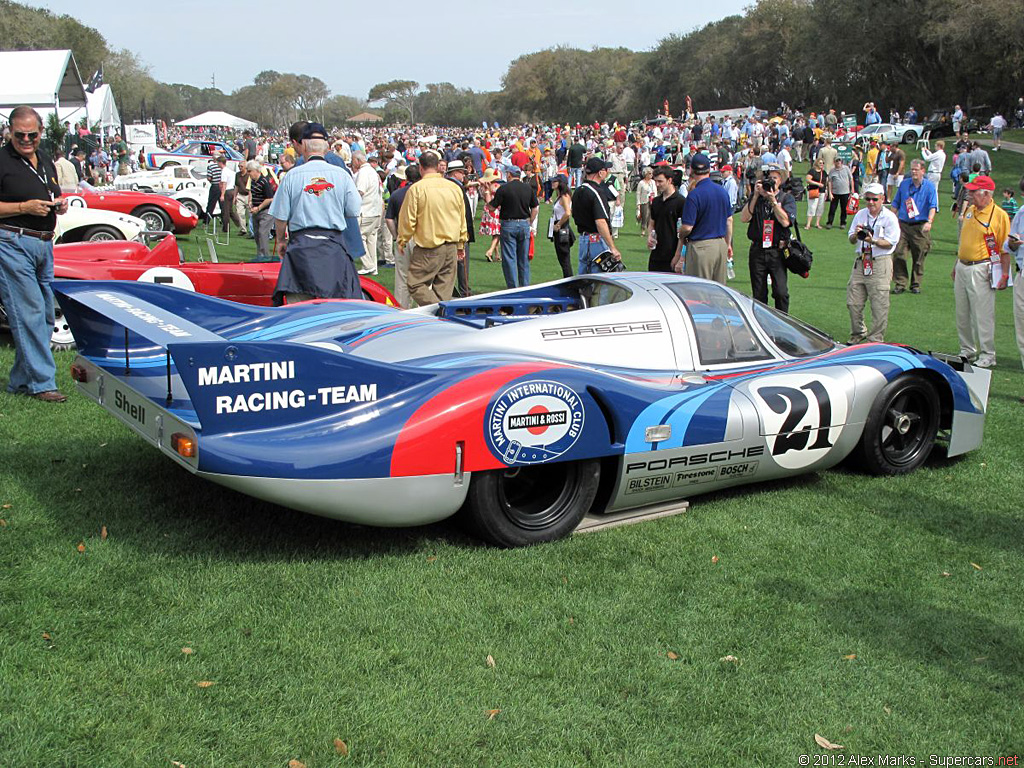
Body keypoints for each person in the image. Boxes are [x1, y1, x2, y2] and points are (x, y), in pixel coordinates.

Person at [0, 105, 70, 402]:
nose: (26, 139)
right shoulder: (1, 161)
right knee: (27, 313)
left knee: (42, 315)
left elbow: (50, 192)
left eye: (32, 134)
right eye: (20, 135)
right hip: (12, 242)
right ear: (9, 132)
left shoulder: (44, 159)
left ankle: (19, 382)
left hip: (44, 243)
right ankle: (43, 384)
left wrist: (59, 203)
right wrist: (23, 208)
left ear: (41, 132)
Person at [268, 122, 362, 305]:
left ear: (303, 146)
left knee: (300, 308)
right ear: (326, 148)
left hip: (302, 247)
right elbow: (353, 210)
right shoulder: (341, 175)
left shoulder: (292, 176)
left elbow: (280, 216)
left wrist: (280, 240)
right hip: (331, 247)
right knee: (337, 306)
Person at [952, 175, 1011, 368]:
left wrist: (1003, 273)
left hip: (982, 267)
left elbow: (1004, 247)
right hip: (963, 265)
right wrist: (956, 264)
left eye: (973, 191)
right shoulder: (970, 210)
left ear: (986, 194)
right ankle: (966, 350)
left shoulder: (999, 215)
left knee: (982, 313)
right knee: (962, 312)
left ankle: (988, 353)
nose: (969, 193)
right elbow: (964, 240)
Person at [397, 151, 468, 306]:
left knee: (415, 284)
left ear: (420, 168)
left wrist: (402, 240)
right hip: (451, 246)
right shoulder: (454, 188)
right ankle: (440, 316)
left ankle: (441, 313)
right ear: (438, 167)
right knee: (443, 291)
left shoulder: (417, 189)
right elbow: (462, 218)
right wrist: (461, 244)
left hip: (428, 248)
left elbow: (408, 219)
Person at [846, 183, 901, 343]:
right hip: (861, 261)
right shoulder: (861, 214)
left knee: (879, 304)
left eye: (874, 199)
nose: (870, 202)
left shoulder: (890, 217)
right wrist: (857, 235)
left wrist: (873, 240)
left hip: (880, 262)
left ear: (882, 199)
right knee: (853, 302)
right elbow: (850, 238)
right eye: (867, 199)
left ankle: (875, 338)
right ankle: (858, 332)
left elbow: (891, 242)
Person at [739, 164, 797, 312]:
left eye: (774, 178)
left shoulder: (786, 198)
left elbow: (785, 221)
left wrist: (773, 201)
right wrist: (756, 195)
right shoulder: (756, 197)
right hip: (758, 249)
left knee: (781, 292)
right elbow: (744, 218)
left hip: (777, 251)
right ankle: (761, 325)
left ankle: (782, 323)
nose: (771, 181)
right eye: (768, 178)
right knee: (759, 294)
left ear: (781, 181)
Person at [673, 153, 732, 284]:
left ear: (692, 171)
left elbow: (687, 227)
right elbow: (729, 220)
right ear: (709, 170)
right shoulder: (722, 191)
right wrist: (728, 244)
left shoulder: (694, 195)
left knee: (700, 292)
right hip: (720, 244)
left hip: (701, 246)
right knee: (718, 291)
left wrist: (681, 234)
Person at [890, 159, 938, 295]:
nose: (914, 172)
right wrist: (890, 220)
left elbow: (933, 206)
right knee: (899, 253)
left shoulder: (929, 187)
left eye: (916, 169)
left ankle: (915, 284)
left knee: (919, 256)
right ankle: (900, 283)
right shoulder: (904, 185)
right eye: (912, 169)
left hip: (920, 226)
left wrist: (929, 221)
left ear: (923, 171)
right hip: (903, 225)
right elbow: (895, 203)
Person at [487, 165, 538, 288]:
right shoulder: (527, 188)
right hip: (524, 223)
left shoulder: (503, 189)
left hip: (508, 224)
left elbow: (491, 207)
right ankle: (524, 286)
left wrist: (487, 193)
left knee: (509, 258)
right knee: (524, 259)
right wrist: (530, 221)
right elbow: (535, 208)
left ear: (509, 174)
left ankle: (512, 287)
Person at [571, 157, 622, 274]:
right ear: (600, 172)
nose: (607, 172)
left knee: (584, 281)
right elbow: (600, 222)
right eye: (605, 170)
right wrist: (612, 247)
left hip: (583, 240)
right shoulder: (596, 192)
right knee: (600, 283)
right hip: (597, 241)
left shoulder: (578, 190)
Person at [384, 164, 420, 308]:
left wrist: (395, 235)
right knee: (424, 278)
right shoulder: (424, 192)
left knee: (402, 277)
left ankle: (402, 309)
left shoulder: (397, 194)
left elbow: (389, 219)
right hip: (422, 238)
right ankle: (423, 310)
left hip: (403, 237)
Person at [444, 159, 476, 297]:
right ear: (456, 173)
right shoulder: (455, 188)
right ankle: (464, 291)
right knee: (461, 263)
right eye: (462, 173)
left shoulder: (448, 186)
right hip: (458, 232)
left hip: (449, 230)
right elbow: (463, 214)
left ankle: (455, 289)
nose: (464, 175)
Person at [646, 165, 686, 273]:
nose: (657, 185)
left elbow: (683, 234)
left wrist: (678, 256)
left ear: (669, 180)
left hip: (672, 254)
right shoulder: (656, 202)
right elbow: (651, 223)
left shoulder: (681, 202)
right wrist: (649, 236)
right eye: (655, 181)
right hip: (656, 255)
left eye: (660, 181)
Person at [351, 151, 383, 276]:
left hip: (366, 210)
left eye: (353, 160)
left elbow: (360, 192)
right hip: (375, 210)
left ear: (357, 160)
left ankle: (368, 265)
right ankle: (373, 267)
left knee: (359, 237)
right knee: (371, 239)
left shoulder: (363, 172)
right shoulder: (373, 172)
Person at [246, 160, 275, 261]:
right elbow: (252, 193)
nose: (248, 173)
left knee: (262, 233)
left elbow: (270, 198)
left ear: (256, 170)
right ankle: (260, 255)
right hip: (256, 210)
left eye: (249, 171)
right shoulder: (253, 182)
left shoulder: (264, 181)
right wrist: (250, 203)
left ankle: (265, 257)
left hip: (266, 211)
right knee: (257, 234)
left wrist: (258, 208)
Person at [548, 174, 574, 279]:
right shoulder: (560, 196)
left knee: (564, 258)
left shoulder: (564, 197)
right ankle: (567, 279)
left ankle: (568, 280)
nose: (552, 183)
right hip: (559, 227)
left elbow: (568, 213)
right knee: (562, 258)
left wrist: (558, 224)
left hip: (562, 228)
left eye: (555, 181)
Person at [477, 168, 502, 262]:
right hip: (494, 210)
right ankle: (490, 251)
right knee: (498, 233)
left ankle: (497, 254)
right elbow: (489, 201)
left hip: (487, 210)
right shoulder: (495, 186)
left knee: (495, 232)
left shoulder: (482, 187)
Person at [805, 158, 827, 229]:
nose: (822, 164)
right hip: (813, 190)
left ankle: (817, 223)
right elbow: (808, 180)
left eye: (823, 163)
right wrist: (817, 184)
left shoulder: (824, 172)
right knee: (812, 207)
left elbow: (826, 181)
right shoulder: (812, 171)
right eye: (820, 163)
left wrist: (827, 190)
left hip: (822, 191)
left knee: (820, 207)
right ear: (817, 163)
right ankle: (808, 224)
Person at [204, 155, 226, 225]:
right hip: (222, 186)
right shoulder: (223, 168)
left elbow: (209, 178)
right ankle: (224, 221)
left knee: (211, 205)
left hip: (215, 186)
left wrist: (211, 181)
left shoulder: (210, 166)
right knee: (222, 205)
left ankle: (206, 221)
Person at [635, 167, 655, 238]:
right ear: (646, 174)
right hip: (644, 201)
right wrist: (638, 203)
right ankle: (643, 230)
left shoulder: (653, 182)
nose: (651, 175)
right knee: (644, 216)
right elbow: (638, 193)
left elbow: (655, 191)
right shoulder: (641, 183)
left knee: (651, 217)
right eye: (649, 173)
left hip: (652, 201)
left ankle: (649, 231)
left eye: (652, 173)